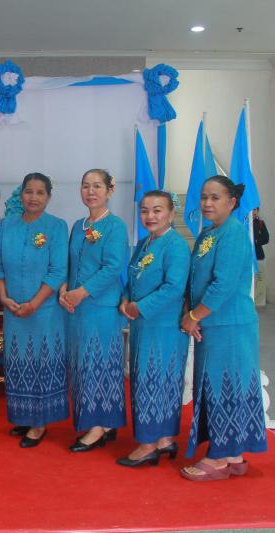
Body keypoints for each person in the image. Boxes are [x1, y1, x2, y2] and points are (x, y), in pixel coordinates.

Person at [180, 175, 267, 481]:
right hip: (212, 324)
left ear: (232, 202)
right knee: (217, 387)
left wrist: (194, 316)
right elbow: (196, 279)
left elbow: (223, 285)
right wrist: (191, 313)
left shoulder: (233, 234)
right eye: (204, 197)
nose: (207, 203)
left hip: (230, 326)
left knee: (225, 388)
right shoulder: (208, 233)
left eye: (215, 198)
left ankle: (219, 458)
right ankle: (233, 455)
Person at [0, 173, 69, 448]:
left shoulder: (57, 227)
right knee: (18, 363)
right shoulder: (6, 225)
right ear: (20, 194)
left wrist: (34, 303)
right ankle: (24, 416)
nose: (33, 197)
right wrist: (3, 297)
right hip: (13, 310)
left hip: (44, 312)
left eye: (40, 192)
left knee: (41, 363)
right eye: (28, 191)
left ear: (48, 197)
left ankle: (40, 423)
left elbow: (58, 271)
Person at [117, 191, 190, 467]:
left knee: (156, 381)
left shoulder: (176, 245)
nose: (150, 216)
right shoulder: (144, 243)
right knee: (152, 380)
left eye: (157, 210)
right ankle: (164, 439)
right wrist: (125, 299)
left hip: (164, 326)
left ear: (171, 213)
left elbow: (174, 287)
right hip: (143, 324)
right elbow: (131, 279)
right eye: (145, 210)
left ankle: (148, 444)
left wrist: (140, 307)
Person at [60, 169, 129, 452]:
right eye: (86, 186)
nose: (91, 191)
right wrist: (64, 290)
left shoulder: (116, 226)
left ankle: (99, 426)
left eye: (97, 186)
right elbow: (68, 264)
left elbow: (113, 268)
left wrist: (81, 292)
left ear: (110, 190)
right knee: (82, 365)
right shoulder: (78, 226)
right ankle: (105, 422)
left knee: (100, 364)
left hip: (100, 308)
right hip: (75, 309)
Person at [252, 208, 270, 305]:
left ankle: (258, 300)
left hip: (258, 254)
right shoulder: (244, 222)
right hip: (247, 254)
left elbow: (266, 238)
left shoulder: (260, 223)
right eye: (252, 209)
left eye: (255, 209)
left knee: (258, 278)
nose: (254, 211)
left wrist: (256, 241)